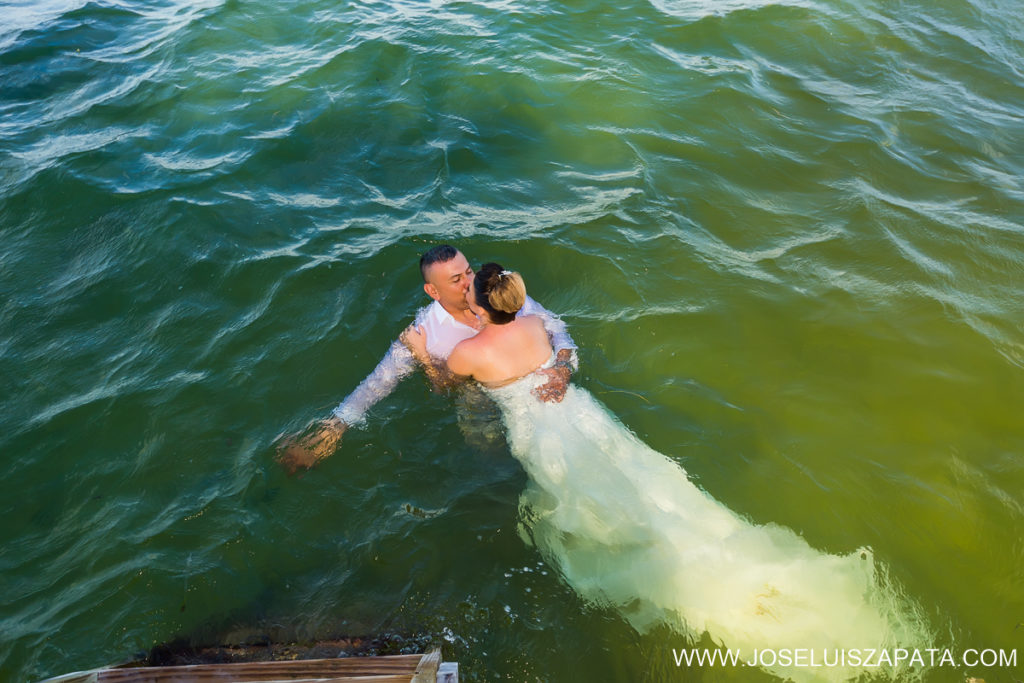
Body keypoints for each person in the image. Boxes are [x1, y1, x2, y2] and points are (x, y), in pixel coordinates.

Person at [404, 262, 933, 683]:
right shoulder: (539, 324)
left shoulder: (470, 352)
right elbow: (562, 347)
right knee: (649, 481)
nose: (467, 287)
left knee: (590, 504)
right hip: (583, 416)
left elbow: (441, 386)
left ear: (480, 304)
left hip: (542, 435)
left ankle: (692, 580)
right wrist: (561, 366)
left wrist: (422, 353)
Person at [275, 245, 577, 473]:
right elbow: (380, 380)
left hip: (547, 392)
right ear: (433, 291)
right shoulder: (425, 332)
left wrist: (563, 368)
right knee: (496, 463)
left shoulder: (497, 291)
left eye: (469, 271)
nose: (469, 282)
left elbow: (556, 328)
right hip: (476, 404)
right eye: (457, 279)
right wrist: (337, 425)